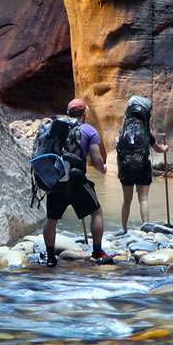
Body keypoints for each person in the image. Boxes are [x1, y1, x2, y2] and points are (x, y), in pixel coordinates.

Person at [43, 98, 109, 265]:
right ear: (84, 113)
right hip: (77, 180)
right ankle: (97, 252)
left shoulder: (56, 128)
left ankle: (50, 257)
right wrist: (103, 169)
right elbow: (96, 159)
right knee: (96, 212)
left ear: (68, 113)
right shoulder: (89, 130)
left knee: (51, 219)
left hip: (57, 180)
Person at [115, 96, 168, 232]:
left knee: (126, 200)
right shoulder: (145, 132)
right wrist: (165, 148)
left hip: (126, 169)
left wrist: (120, 171)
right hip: (143, 168)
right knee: (143, 199)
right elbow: (157, 149)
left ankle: (123, 228)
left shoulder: (122, 132)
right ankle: (146, 227)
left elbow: (119, 152)